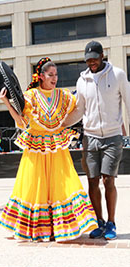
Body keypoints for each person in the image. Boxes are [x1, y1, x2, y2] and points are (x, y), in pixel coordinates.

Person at [0, 57, 97, 242]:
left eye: (56, 75)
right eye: (50, 75)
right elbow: (21, 122)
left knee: (62, 184)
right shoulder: (30, 96)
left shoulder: (64, 96)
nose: (54, 78)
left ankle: (63, 227)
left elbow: (79, 108)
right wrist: (6, 102)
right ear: (41, 76)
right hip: (35, 147)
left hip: (57, 146)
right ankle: (37, 228)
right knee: (35, 186)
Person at [63, 41, 130, 240]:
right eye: (88, 60)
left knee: (108, 179)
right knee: (92, 181)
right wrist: (61, 124)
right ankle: (98, 222)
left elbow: (128, 102)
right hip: (90, 137)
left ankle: (111, 222)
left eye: (94, 58)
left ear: (102, 55)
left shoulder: (117, 75)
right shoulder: (82, 80)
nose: (91, 62)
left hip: (112, 136)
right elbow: (80, 110)